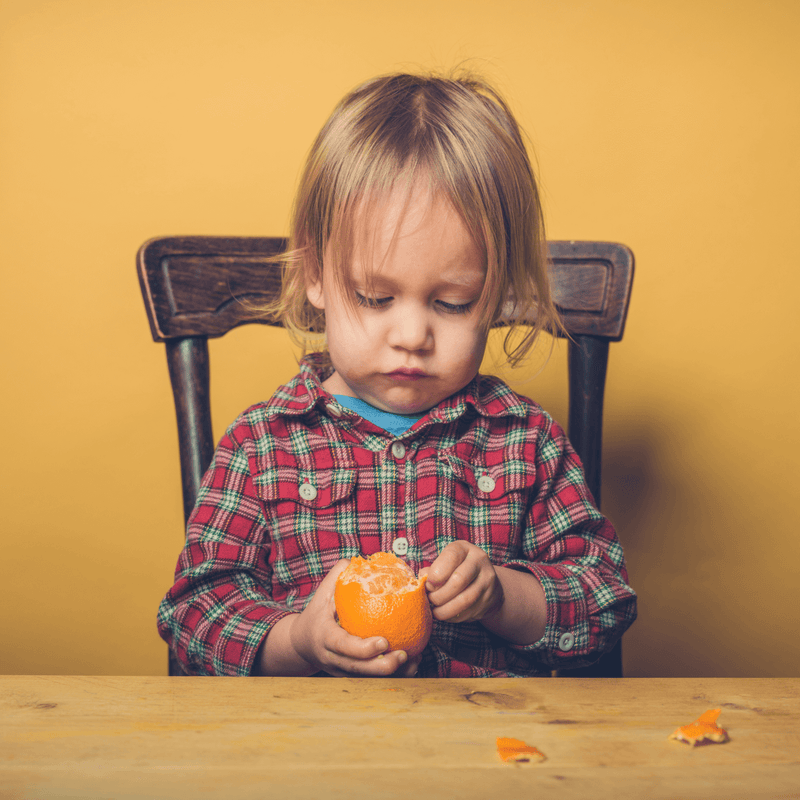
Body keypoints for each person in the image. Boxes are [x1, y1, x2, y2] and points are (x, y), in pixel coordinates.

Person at [157, 71, 637, 678]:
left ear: (498, 293)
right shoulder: (262, 445)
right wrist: (298, 640)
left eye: (454, 302)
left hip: (487, 751)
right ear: (316, 275)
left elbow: (604, 600)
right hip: (308, 752)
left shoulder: (525, 440)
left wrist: (503, 597)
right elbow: (194, 614)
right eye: (375, 297)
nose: (411, 335)